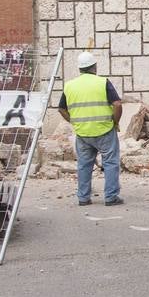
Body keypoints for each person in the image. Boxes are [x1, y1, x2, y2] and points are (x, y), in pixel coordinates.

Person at [58, 51, 124, 206]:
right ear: (94, 67)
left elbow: (61, 109)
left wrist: (74, 122)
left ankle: (83, 198)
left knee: (84, 165)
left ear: (80, 69)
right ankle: (111, 197)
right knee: (110, 163)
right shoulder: (102, 82)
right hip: (105, 130)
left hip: (83, 133)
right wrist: (115, 121)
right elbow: (117, 104)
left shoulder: (70, 86)